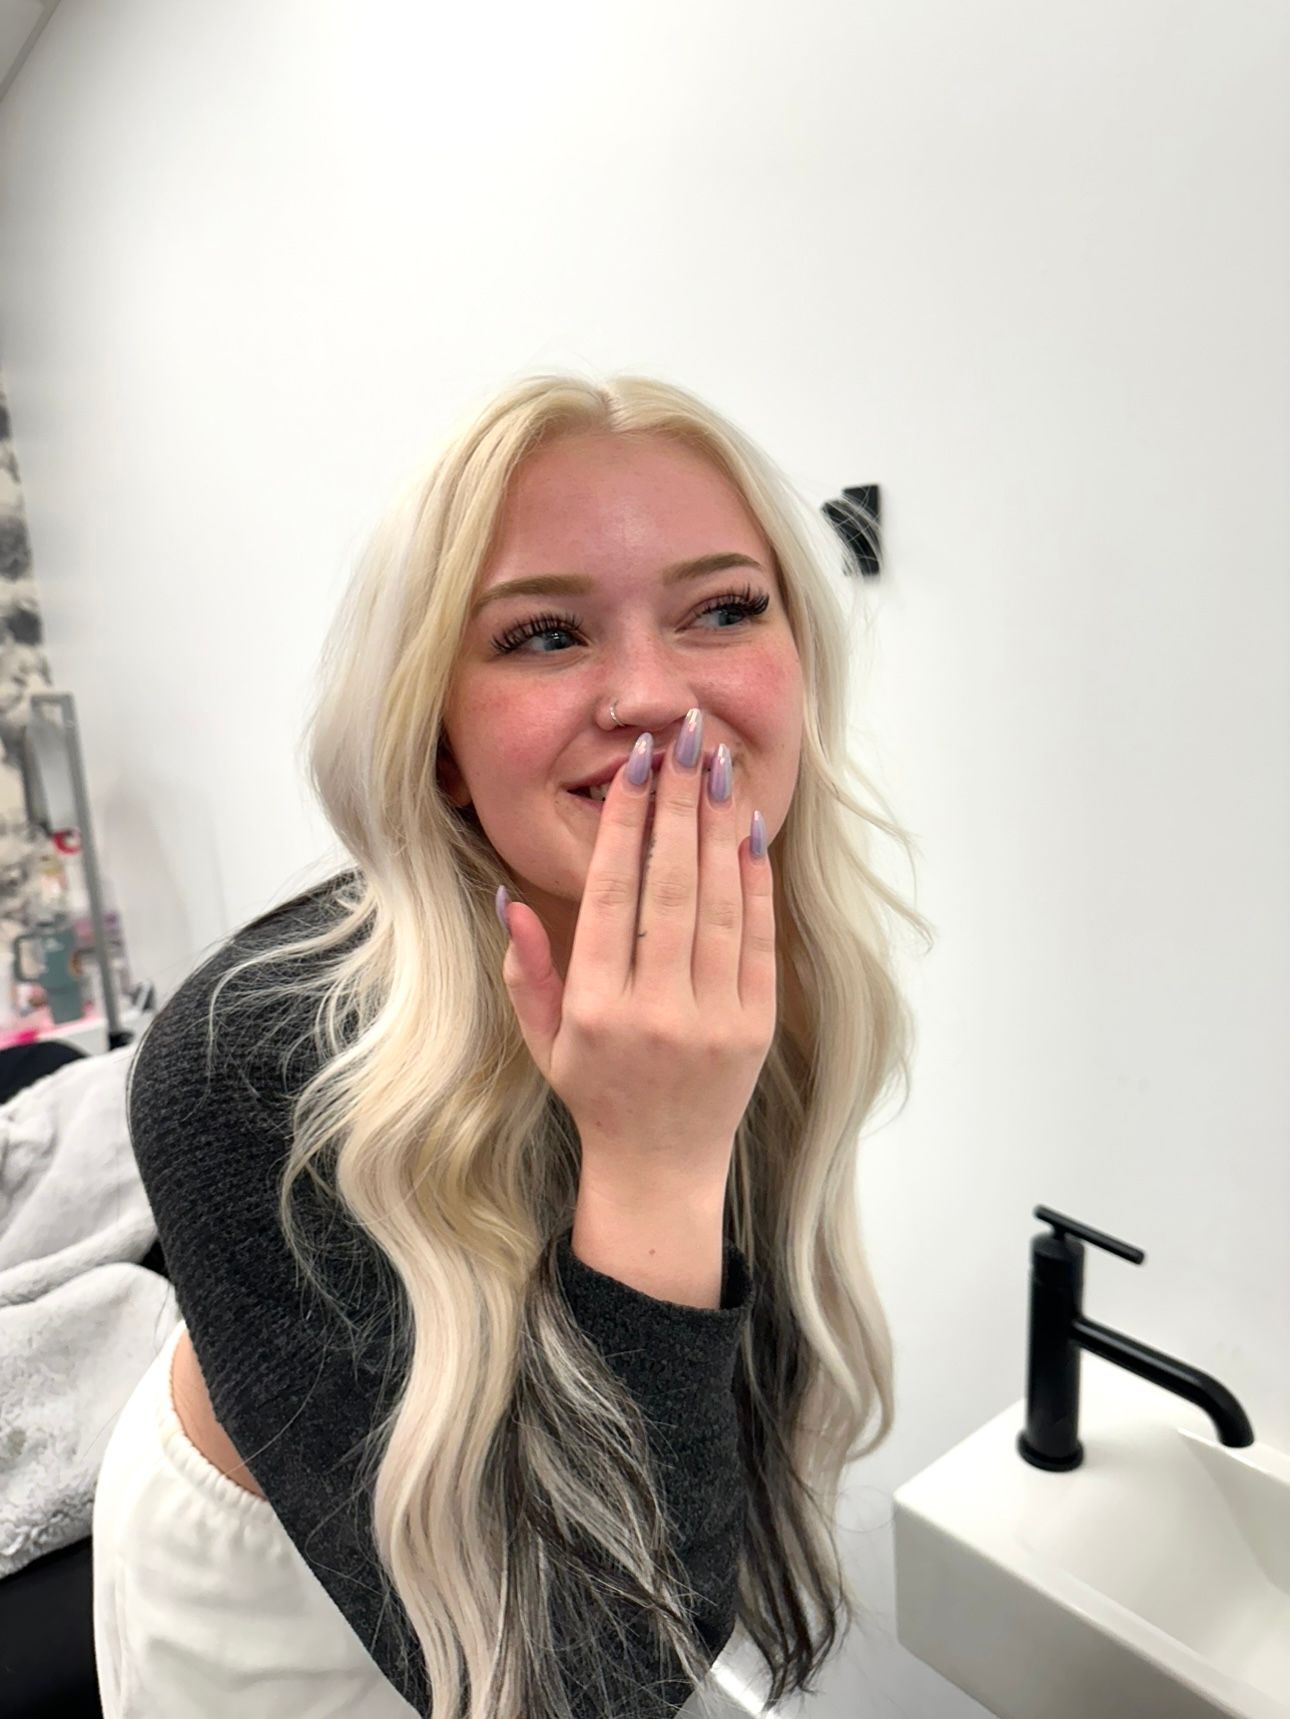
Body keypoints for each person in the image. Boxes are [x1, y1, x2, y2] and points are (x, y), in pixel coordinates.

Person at [91, 372, 932, 1719]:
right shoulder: (244, 1063)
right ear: (434, 742)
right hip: (280, 1601)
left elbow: (671, 1575)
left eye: (723, 609)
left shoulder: (768, 951)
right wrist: (655, 1155)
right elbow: (574, 1690)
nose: (655, 696)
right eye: (543, 635)